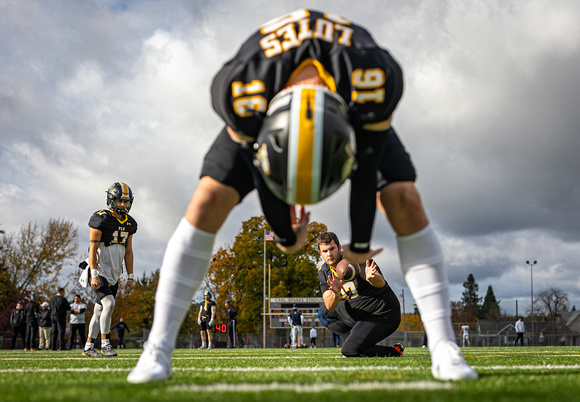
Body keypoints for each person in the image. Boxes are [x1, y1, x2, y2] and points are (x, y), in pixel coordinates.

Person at [128, 9, 476, 382]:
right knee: (207, 200)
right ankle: (157, 349)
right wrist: (284, 234)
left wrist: (359, 243)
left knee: (403, 198)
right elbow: (263, 177)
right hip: (269, 103)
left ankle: (443, 345)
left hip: (346, 101)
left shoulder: (372, 78)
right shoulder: (241, 89)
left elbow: (367, 170)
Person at [316, 232, 403, 358]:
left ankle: (394, 352)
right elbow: (330, 306)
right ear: (320, 253)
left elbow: (381, 283)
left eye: (332, 249)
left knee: (349, 351)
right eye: (325, 251)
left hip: (381, 313)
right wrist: (335, 292)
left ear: (339, 247)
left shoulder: (356, 258)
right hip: (358, 315)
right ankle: (354, 340)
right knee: (323, 313)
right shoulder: (324, 272)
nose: (329, 254)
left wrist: (372, 278)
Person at [82, 182, 137, 358]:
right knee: (109, 303)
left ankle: (89, 347)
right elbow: (92, 248)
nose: (123, 205)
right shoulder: (101, 219)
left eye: (125, 202)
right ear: (111, 200)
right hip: (99, 270)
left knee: (99, 311)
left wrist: (130, 276)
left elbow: (128, 251)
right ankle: (106, 344)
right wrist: (94, 273)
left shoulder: (130, 223)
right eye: (119, 201)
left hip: (114, 273)